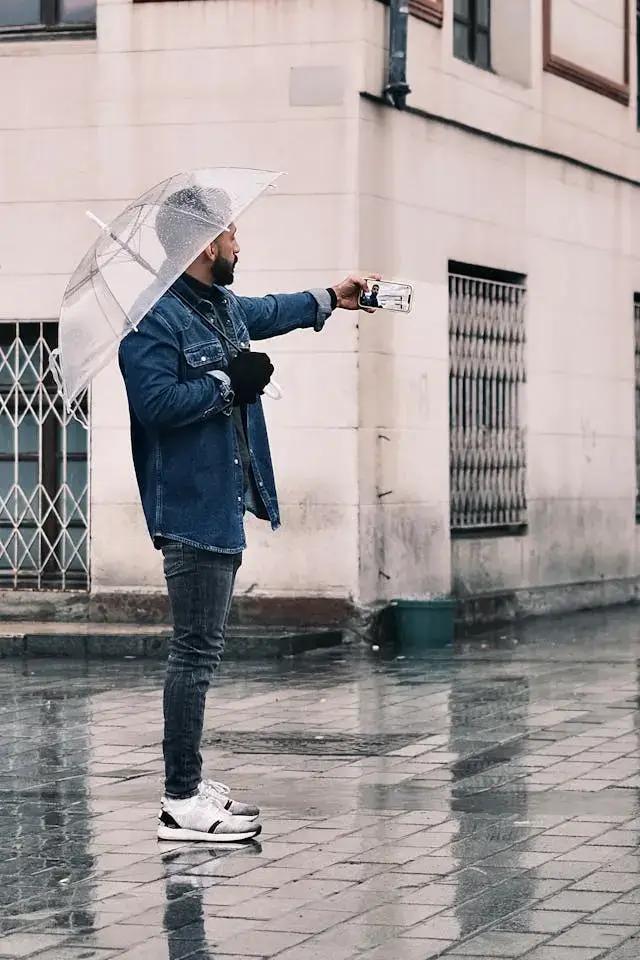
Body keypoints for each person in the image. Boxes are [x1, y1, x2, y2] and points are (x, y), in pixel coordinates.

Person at [118, 186, 376, 843]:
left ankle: (190, 781)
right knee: (194, 652)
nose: (241, 243)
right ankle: (180, 801)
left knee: (202, 650)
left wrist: (333, 297)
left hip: (224, 499)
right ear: (207, 245)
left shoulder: (218, 307)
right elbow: (156, 405)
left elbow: (269, 310)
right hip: (190, 506)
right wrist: (230, 382)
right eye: (233, 233)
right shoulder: (155, 319)